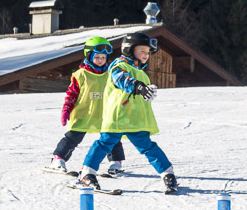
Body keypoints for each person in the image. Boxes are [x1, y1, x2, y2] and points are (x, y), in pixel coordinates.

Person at [76, 33, 179, 194]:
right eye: (142, 51)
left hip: (135, 119)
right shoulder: (119, 65)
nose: (145, 55)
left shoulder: (140, 71)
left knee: (148, 147)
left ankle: (168, 173)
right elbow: (122, 79)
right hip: (117, 117)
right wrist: (138, 86)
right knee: (104, 144)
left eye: (148, 52)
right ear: (129, 50)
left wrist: (145, 92)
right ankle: (87, 173)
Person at [47, 37, 126, 175]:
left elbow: (119, 93)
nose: (100, 60)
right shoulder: (80, 75)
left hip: (106, 115)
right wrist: (66, 109)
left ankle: (116, 162)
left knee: (112, 138)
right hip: (84, 113)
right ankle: (58, 159)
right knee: (72, 138)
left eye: (103, 57)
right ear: (89, 56)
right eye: (97, 57)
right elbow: (71, 94)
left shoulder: (110, 75)